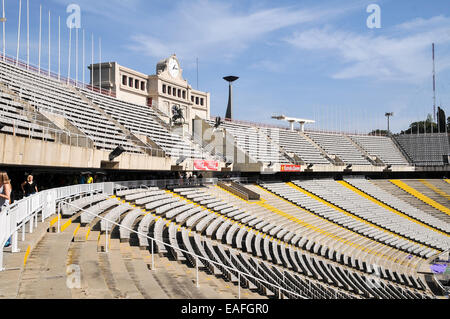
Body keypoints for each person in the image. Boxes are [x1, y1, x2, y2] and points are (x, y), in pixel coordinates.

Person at [0, 172, 12, 248]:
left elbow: (8, 197)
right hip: (0, 206)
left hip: (4, 207)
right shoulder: (1, 184)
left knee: (5, 225)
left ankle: (7, 242)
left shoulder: (6, 185)